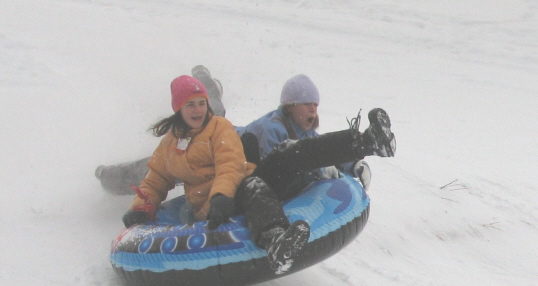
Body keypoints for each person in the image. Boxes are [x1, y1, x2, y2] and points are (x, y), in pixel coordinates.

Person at [119, 74, 395, 273]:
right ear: (179, 108)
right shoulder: (169, 146)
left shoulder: (219, 127)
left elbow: (230, 163)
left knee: (290, 153)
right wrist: (142, 207)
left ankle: (367, 141)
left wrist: (222, 194)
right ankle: (276, 241)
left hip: (236, 186)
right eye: (190, 104)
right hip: (216, 205)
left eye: (201, 103)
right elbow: (155, 179)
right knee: (253, 186)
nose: (198, 110)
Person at [236, 74, 379, 195]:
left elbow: (322, 149)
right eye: (306, 104)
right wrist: (316, 170)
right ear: (290, 106)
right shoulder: (270, 129)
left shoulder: (302, 129)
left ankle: (363, 144)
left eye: (315, 105)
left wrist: (354, 164)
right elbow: (274, 172)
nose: (313, 110)